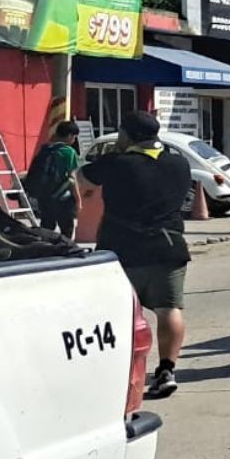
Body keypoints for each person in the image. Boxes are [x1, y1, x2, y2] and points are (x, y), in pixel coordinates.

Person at [81, 111, 193, 399]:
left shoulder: (116, 163)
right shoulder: (179, 163)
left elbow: (82, 180)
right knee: (169, 309)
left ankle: (123, 373)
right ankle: (167, 369)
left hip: (122, 250)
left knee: (121, 314)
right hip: (168, 247)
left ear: (127, 135)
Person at [27, 120, 82, 238]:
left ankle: (46, 251)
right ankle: (66, 251)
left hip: (44, 197)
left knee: (47, 227)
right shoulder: (69, 152)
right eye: (74, 137)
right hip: (63, 198)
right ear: (69, 136)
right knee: (66, 229)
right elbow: (72, 178)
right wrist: (78, 200)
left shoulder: (45, 149)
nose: (74, 140)